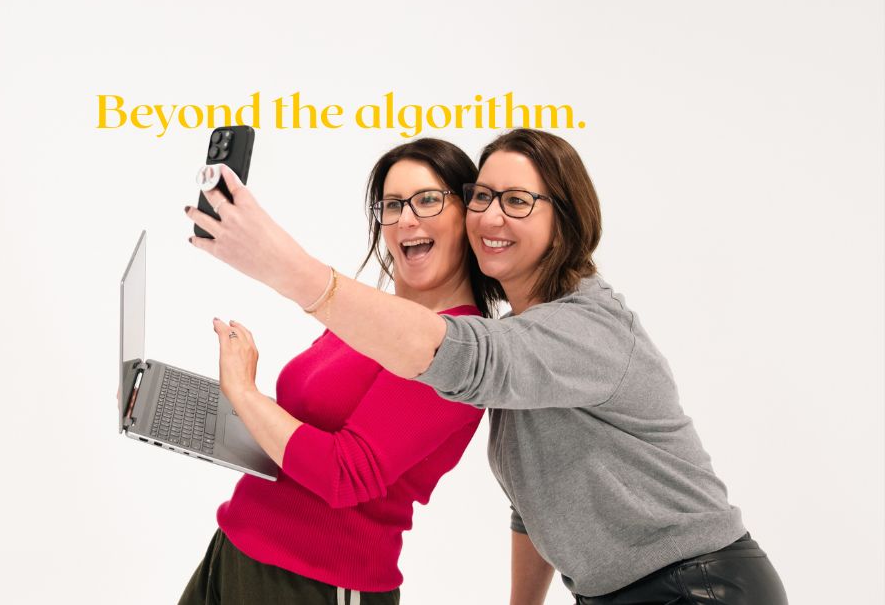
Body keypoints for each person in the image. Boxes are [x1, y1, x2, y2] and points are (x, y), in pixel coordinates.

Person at [184, 129, 788, 605]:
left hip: (700, 588)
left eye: (518, 201)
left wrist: (279, 268)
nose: (492, 217)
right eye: (484, 197)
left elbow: (454, 358)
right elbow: (536, 503)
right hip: (612, 593)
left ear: (566, 218)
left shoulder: (586, 329)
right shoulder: (519, 351)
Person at [177, 138, 505, 605]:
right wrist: (188, 407)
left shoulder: (459, 349)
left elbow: (344, 474)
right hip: (237, 546)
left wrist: (245, 393)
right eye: (392, 205)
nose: (406, 219)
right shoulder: (370, 314)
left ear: (467, 213)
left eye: (428, 200)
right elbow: (303, 431)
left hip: (317, 583)